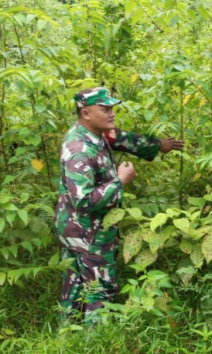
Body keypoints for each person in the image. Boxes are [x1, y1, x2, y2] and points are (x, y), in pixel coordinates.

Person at [53, 86, 183, 321]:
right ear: (86, 113)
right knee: (99, 292)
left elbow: (122, 138)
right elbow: (82, 200)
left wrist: (156, 145)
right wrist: (120, 182)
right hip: (87, 233)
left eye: (112, 108)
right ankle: (97, 343)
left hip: (74, 228)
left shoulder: (94, 133)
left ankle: (67, 336)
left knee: (74, 287)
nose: (112, 113)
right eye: (105, 109)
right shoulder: (79, 150)